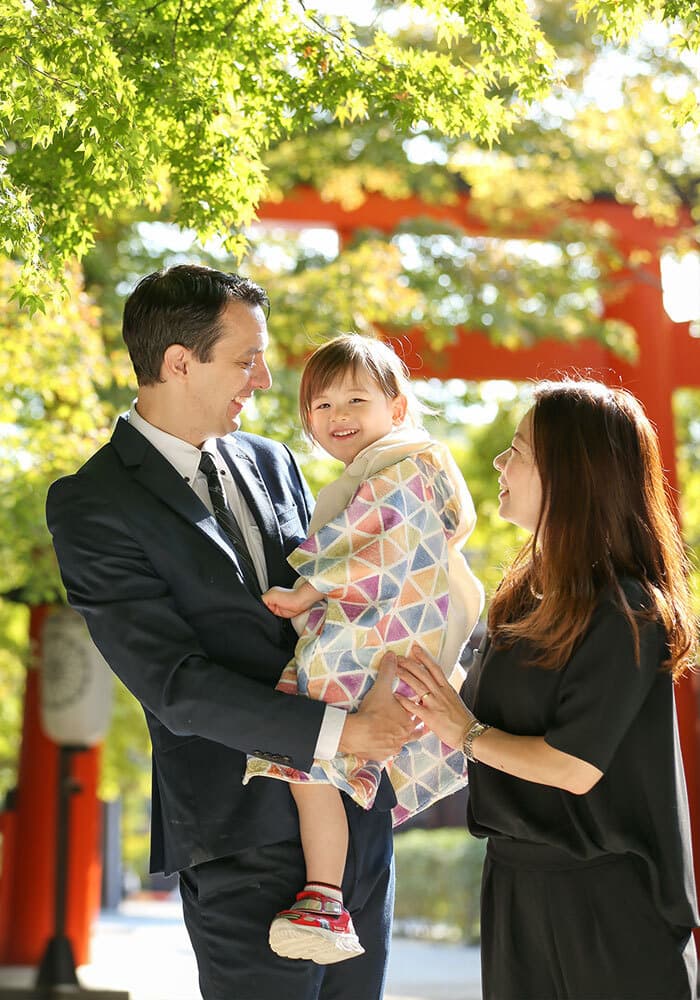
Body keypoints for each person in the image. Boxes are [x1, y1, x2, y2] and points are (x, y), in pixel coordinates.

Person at [45, 265, 420, 1000]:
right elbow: (175, 685)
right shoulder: (92, 504)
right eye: (247, 358)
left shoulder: (275, 461)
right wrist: (346, 732)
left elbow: (341, 600)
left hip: (356, 823)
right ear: (180, 362)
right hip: (239, 834)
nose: (267, 380)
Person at [395, 378, 699, 1000]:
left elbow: (573, 765)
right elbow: (468, 718)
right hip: (512, 885)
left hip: (608, 906)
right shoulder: (519, 597)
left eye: (519, 451)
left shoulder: (627, 609)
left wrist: (467, 733)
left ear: (573, 472)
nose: (501, 463)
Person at [243, 334, 483, 964]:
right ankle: (325, 895)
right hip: (395, 631)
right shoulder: (396, 467)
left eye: (357, 399)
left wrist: (305, 591)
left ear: (398, 408)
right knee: (319, 759)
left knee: (304, 739)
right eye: (321, 406)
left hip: (388, 633)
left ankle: (324, 894)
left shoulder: (402, 470)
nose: (338, 416)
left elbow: (373, 545)